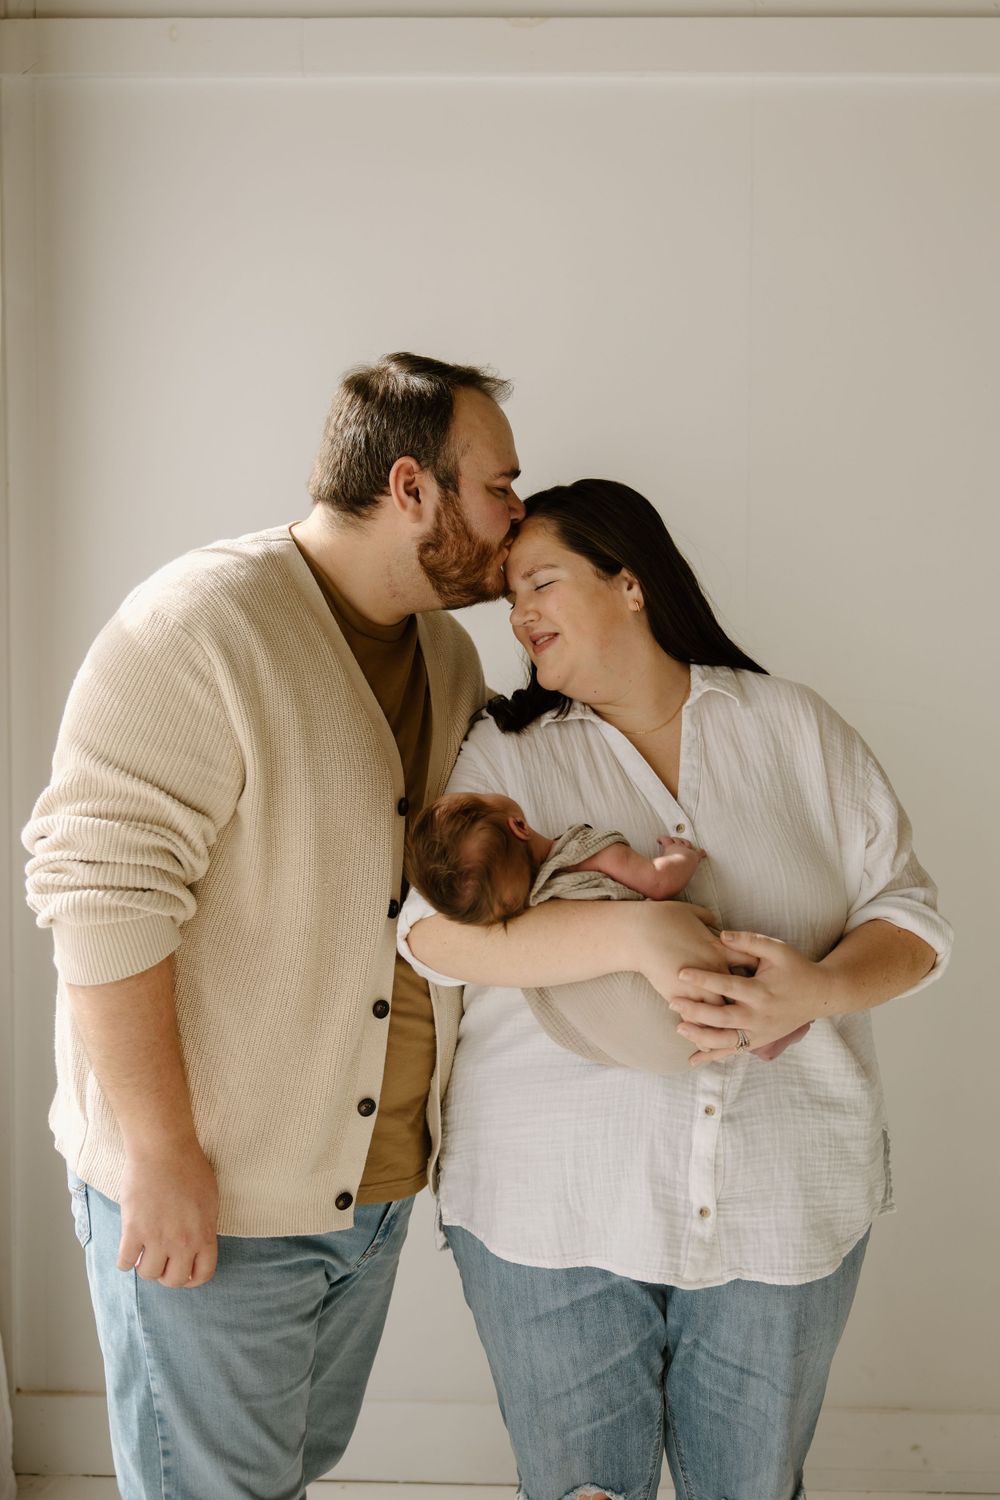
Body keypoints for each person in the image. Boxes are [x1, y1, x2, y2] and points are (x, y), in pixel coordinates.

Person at [22, 350, 535, 1500]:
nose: (517, 513)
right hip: (218, 1194)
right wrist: (160, 1154)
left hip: (373, 1190)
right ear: (412, 488)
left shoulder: (448, 658)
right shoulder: (200, 626)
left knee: (289, 1473)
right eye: (500, 485)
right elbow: (99, 895)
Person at [398, 478, 953, 1500]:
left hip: (781, 1202)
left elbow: (913, 923)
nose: (519, 615)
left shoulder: (791, 726)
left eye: (541, 582)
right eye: (510, 597)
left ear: (630, 582)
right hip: (550, 1203)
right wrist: (634, 933)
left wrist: (815, 991)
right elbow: (429, 936)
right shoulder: (507, 753)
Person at [406, 790, 707, 923]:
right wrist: (681, 854)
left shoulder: (534, 910)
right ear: (519, 826)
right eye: (481, 796)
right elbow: (658, 882)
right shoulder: (584, 852)